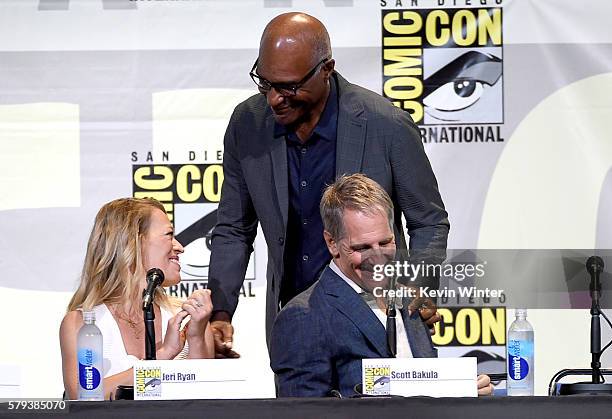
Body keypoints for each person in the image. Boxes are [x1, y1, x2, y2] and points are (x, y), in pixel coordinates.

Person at [208, 12, 449, 355]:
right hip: (295, 323)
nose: (275, 98)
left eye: (290, 87)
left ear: (326, 69)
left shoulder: (387, 124)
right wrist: (220, 311)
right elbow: (233, 227)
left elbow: (428, 220)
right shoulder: (247, 124)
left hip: (379, 318)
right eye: (265, 84)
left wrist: (418, 287)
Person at [270, 174, 492, 397]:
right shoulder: (303, 317)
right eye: (363, 247)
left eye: (385, 243)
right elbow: (303, 415)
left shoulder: (410, 301)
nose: (378, 259)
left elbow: (425, 391)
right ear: (332, 243)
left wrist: (463, 393)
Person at [59, 198, 215, 399]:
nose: (180, 247)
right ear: (133, 242)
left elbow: (205, 397)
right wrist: (164, 355)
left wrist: (196, 338)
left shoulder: (188, 319)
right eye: (169, 235)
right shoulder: (83, 324)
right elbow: (84, 397)